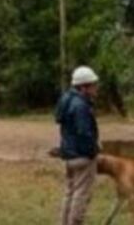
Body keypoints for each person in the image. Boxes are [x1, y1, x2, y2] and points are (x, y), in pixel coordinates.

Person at [55, 65, 101, 225]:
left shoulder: (67, 101)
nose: (96, 88)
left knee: (70, 193)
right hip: (82, 156)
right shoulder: (80, 106)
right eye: (93, 85)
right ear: (83, 87)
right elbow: (84, 132)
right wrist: (93, 151)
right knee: (81, 195)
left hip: (69, 155)